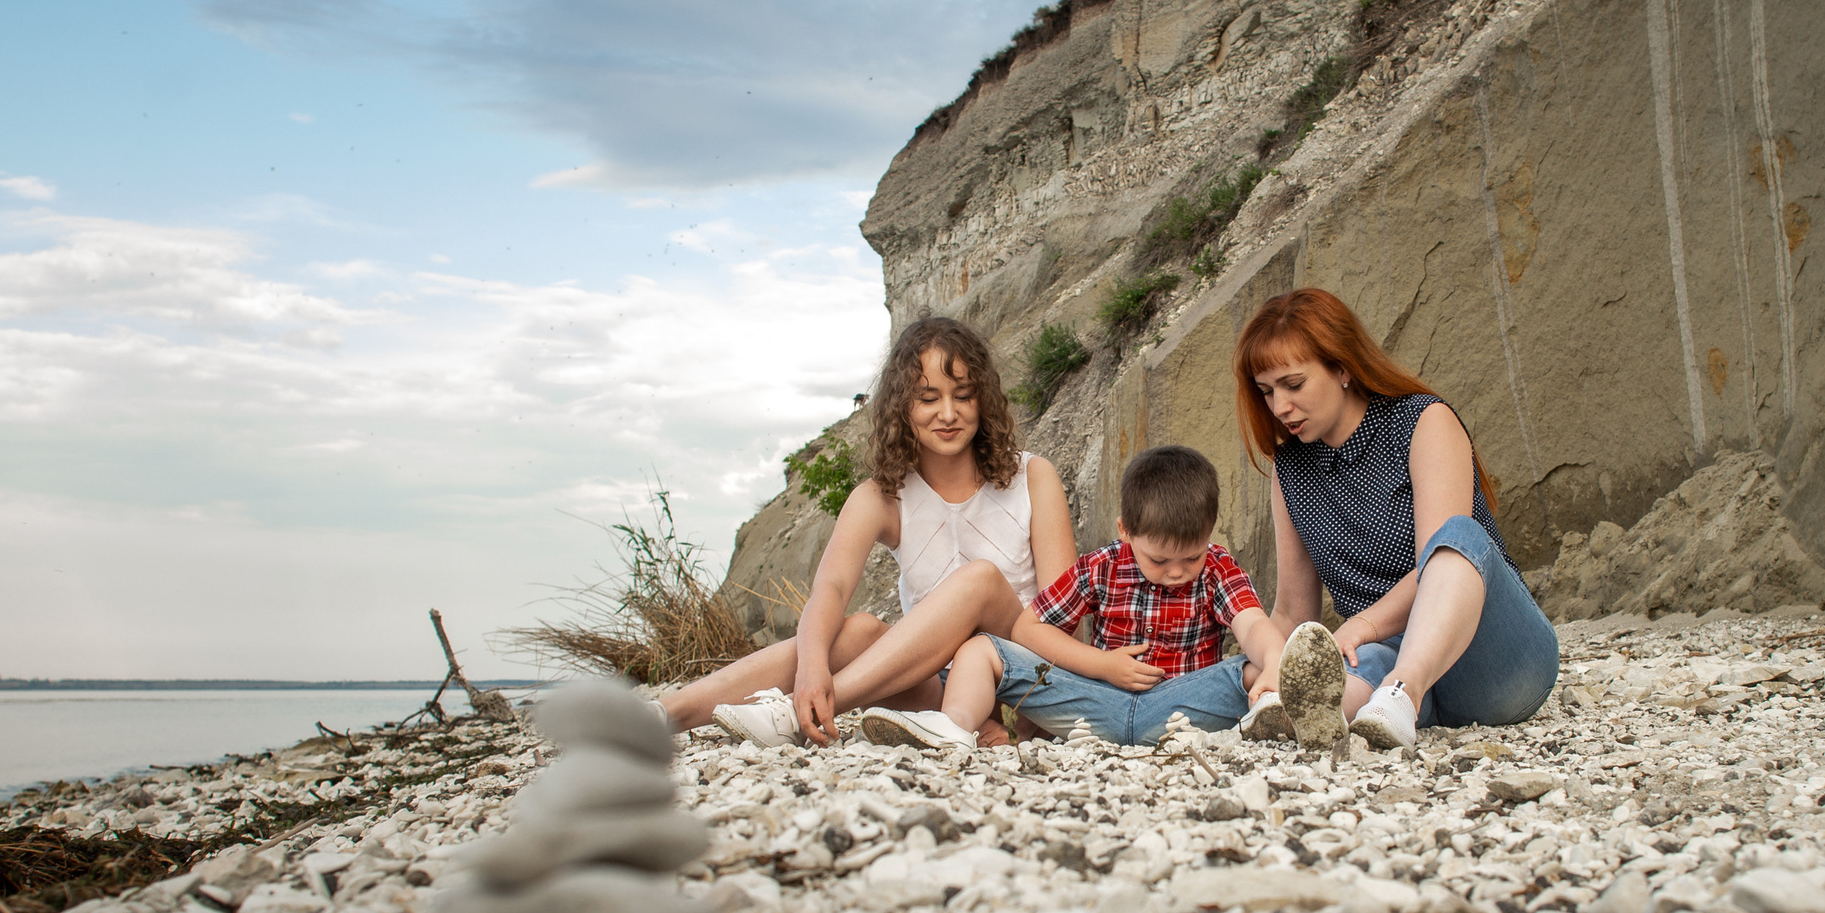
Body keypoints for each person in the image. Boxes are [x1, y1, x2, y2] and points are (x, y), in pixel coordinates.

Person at [659, 316, 1074, 746]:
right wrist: (811, 669)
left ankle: (796, 712)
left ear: (982, 399)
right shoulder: (882, 496)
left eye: (963, 396)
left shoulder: (1033, 477)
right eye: (928, 398)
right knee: (857, 630)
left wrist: (1031, 718)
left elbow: (1066, 615)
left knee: (980, 581)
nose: (948, 414)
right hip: (938, 694)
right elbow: (832, 589)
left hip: (1024, 679)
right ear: (902, 405)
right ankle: (663, 714)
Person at [1233, 286, 1559, 749]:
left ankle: (1403, 692)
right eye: (1267, 392)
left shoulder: (1424, 421)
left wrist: (1361, 626)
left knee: (1458, 535)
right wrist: (1271, 669)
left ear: (1342, 367)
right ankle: (1365, 705)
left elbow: (1440, 561)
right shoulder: (1290, 469)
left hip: (1496, 662)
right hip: (1383, 667)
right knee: (1297, 693)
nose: (1279, 407)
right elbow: (1291, 612)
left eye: (1294, 384)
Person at [862, 445, 1286, 749]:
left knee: (1252, 668)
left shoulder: (1216, 567)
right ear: (1125, 531)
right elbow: (1028, 628)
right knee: (981, 649)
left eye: (1190, 558)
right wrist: (1101, 665)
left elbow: (1251, 621)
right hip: (1096, 700)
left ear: (1209, 534)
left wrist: (1273, 663)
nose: (1176, 573)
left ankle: (1277, 710)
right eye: (1159, 560)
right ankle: (952, 729)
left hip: (1180, 705)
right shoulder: (1101, 566)